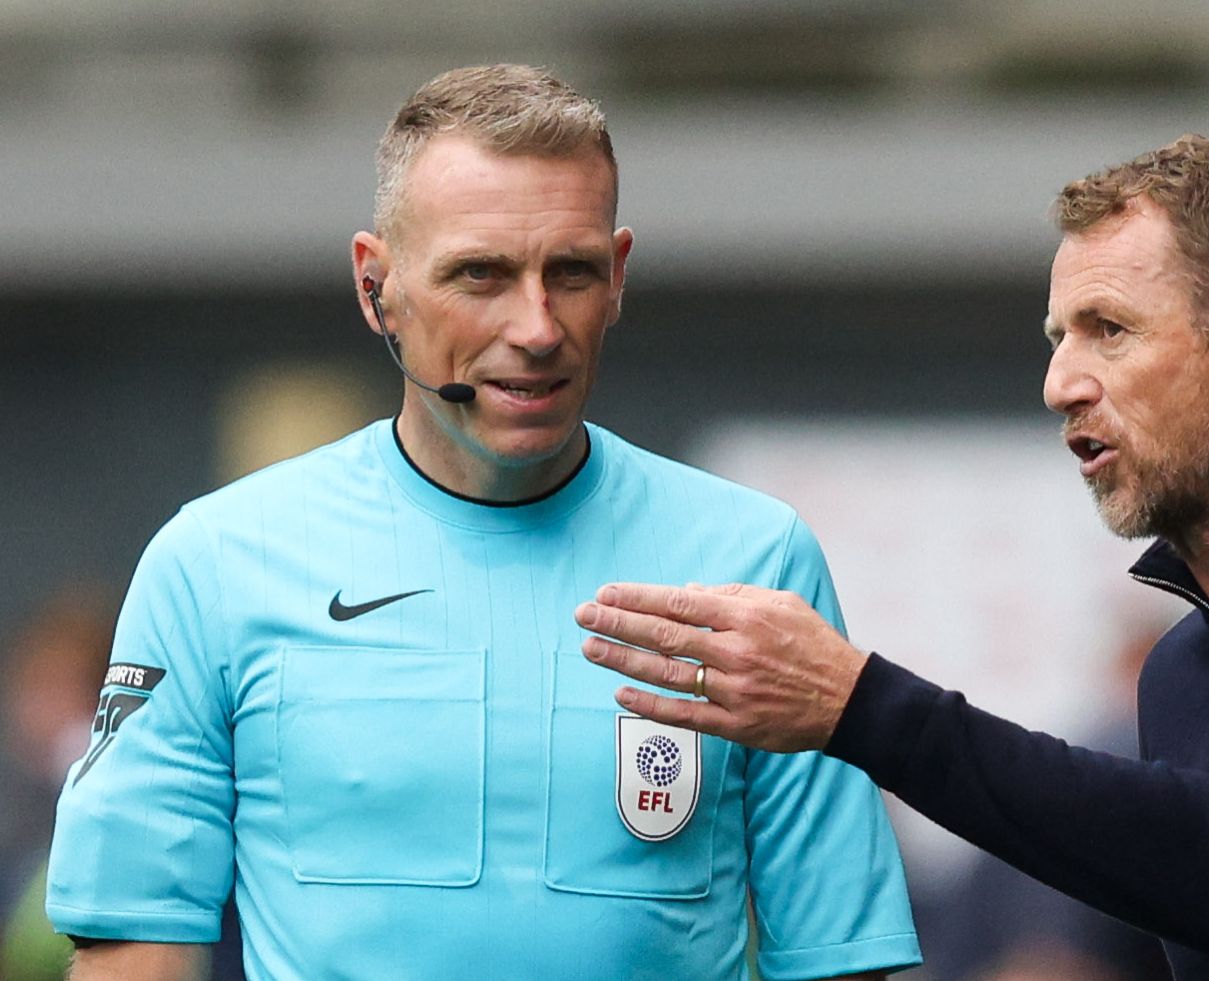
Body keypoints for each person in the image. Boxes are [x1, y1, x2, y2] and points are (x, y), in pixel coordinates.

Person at [577, 135, 1209, 978]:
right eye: (1055, 337)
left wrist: (860, 706)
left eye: (1106, 329)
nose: (1060, 382)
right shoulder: (1180, 669)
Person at [46, 64, 920, 981]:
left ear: (618, 277)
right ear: (375, 286)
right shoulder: (214, 564)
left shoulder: (752, 559)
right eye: (481, 274)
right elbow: (132, 949)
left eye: (571, 272)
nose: (537, 326)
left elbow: (838, 958)